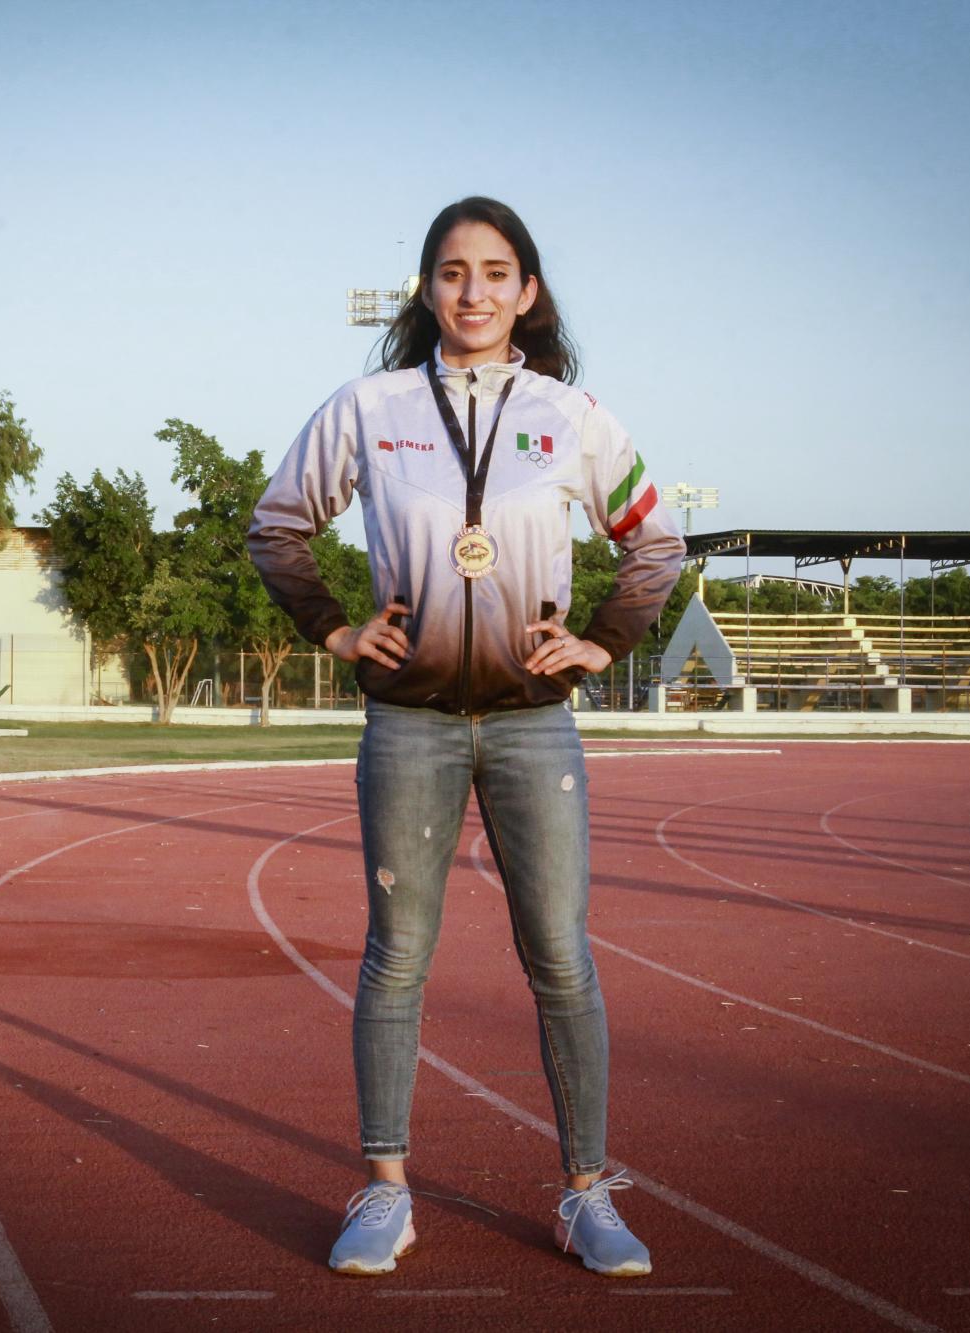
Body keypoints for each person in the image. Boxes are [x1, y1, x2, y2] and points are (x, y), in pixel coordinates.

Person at [247, 196, 685, 1278]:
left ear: (526, 292)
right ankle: (385, 1191)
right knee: (396, 961)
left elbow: (655, 544)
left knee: (561, 961)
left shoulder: (569, 415)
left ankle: (586, 1192)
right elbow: (277, 528)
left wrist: (601, 642)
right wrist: (336, 630)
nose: (473, 291)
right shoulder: (370, 405)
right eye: (451, 272)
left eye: (495, 272)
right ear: (425, 289)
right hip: (410, 723)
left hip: (535, 728)